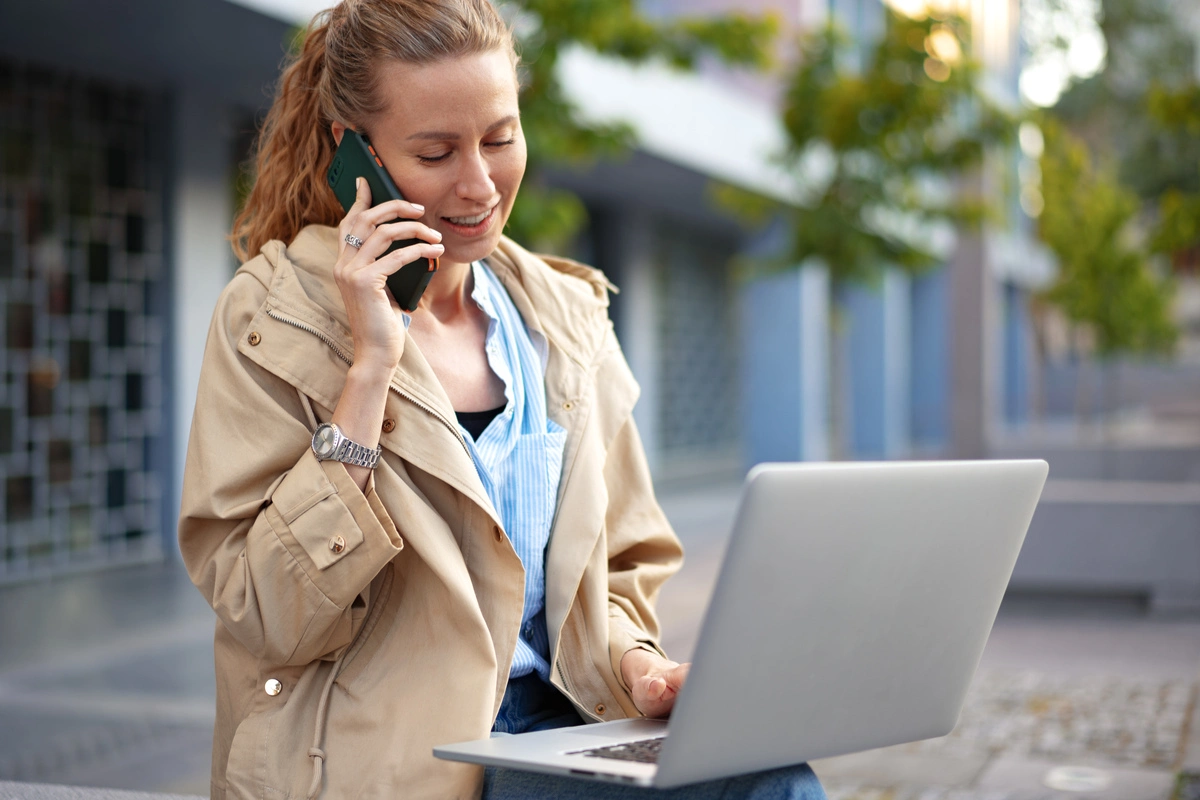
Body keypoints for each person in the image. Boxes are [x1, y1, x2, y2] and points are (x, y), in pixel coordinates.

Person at [178, 1, 827, 798]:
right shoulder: (269, 318)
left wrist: (639, 666)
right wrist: (369, 371)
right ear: (358, 156)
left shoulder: (563, 315)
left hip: (557, 735)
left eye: (499, 137)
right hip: (398, 757)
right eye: (436, 151)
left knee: (768, 776)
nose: (480, 183)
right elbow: (265, 613)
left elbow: (618, 571)